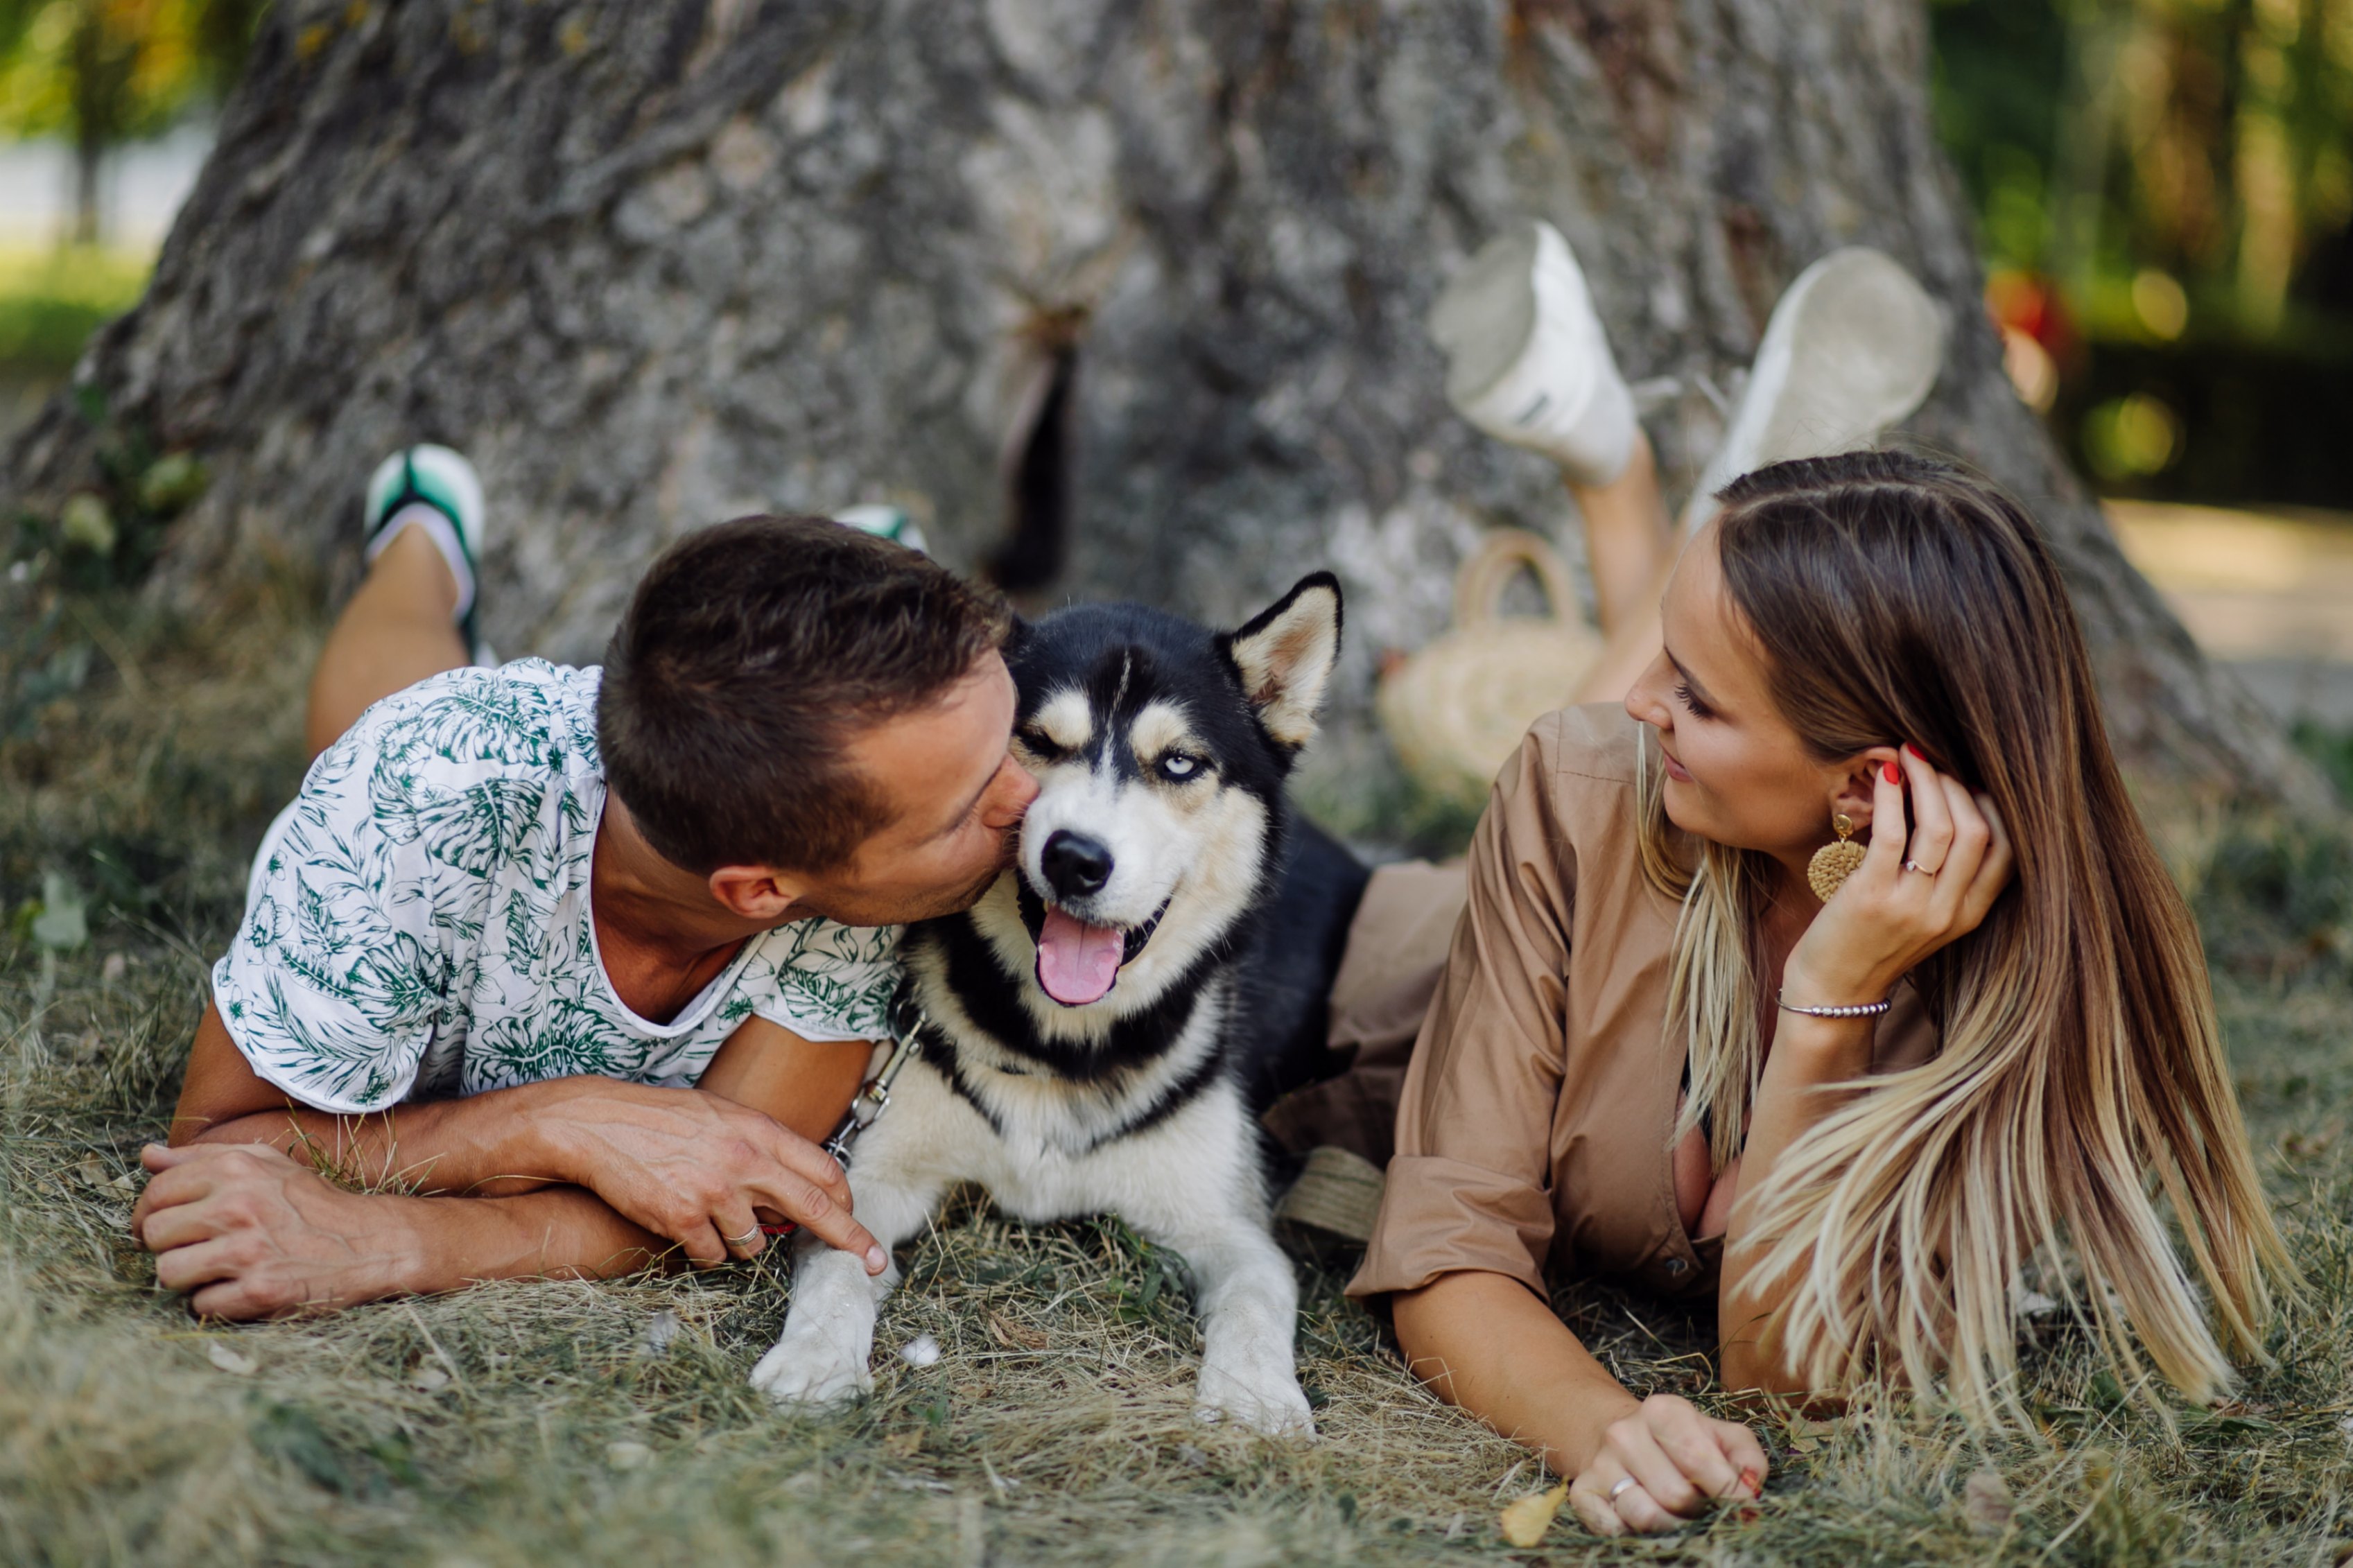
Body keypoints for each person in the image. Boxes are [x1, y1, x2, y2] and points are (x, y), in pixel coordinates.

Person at [1293, 223, 2291, 1537]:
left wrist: (1827, 1005)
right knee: (1586, 751)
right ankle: (1632, 485)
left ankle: (1637, 481)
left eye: (1694, 694)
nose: (1644, 697)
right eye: (1663, 657)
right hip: (1359, 947)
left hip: (1696, 882)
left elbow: (1789, 1383)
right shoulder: (1583, 783)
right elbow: (1448, 1248)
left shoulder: (2005, 1011)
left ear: (1866, 788)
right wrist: (1604, 1427)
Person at [132, 449, 1038, 1320]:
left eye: (1012, 737)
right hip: (443, 775)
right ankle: (422, 541)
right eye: (967, 805)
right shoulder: (416, 795)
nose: (1032, 797)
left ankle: (833, 608)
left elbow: (721, 1199)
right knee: (373, 717)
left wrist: (399, 1237)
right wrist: (555, 1121)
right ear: (760, 889)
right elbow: (215, 1144)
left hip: (747, 791)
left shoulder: (864, 898)